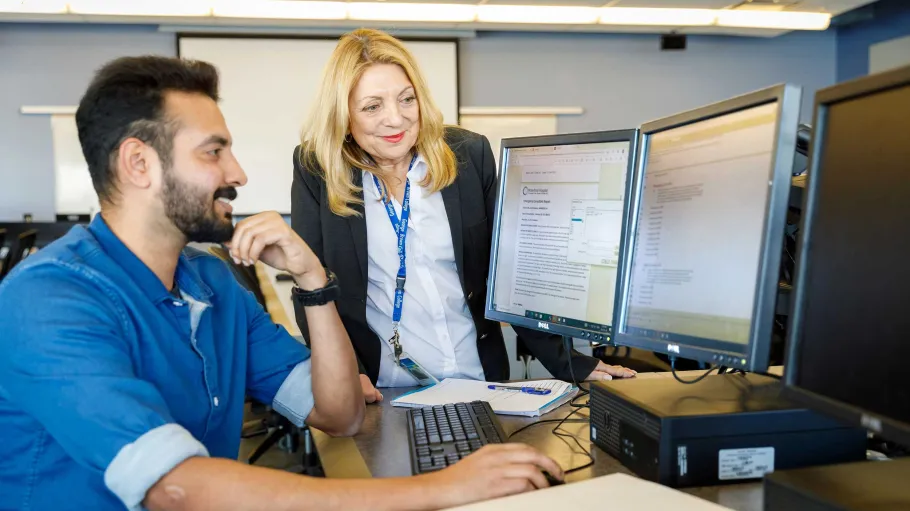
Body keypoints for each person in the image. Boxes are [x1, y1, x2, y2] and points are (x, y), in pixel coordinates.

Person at [0, 55, 563, 511]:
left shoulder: (211, 284)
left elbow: (339, 412)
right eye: (214, 152)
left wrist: (312, 278)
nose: (238, 173)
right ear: (139, 164)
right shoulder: (47, 299)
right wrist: (445, 487)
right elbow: (173, 488)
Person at [292, 28, 636, 403]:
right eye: (372, 106)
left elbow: (509, 272)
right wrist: (347, 375)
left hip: (479, 381)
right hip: (382, 389)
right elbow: (312, 288)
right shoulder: (317, 170)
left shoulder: (468, 155)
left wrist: (570, 362)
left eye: (407, 99)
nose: (396, 119)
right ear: (343, 115)